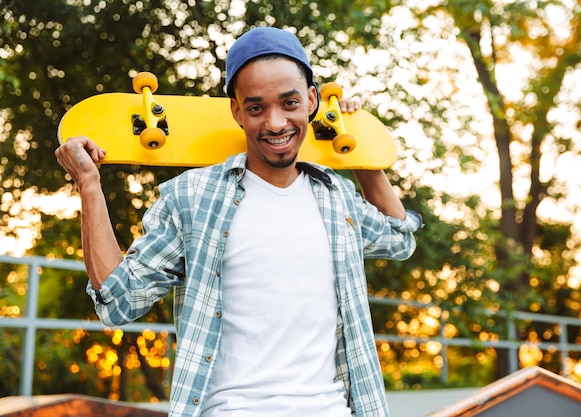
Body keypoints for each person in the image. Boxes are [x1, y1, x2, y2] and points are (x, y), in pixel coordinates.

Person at [55, 27, 423, 417]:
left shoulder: (336, 196)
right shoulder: (192, 198)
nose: (276, 123)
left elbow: (400, 239)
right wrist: (89, 184)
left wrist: (358, 150)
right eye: (256, 107)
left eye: (290, 102)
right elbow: (119, 301)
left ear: (312, 100)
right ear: (236, 111)